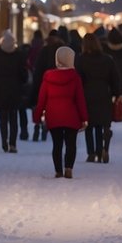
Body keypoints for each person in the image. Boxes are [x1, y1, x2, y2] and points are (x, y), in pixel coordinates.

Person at [34, 46, 87, 179]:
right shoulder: (75, 78)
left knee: (57, 145)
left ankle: (58, 170)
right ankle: (68, 167)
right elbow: (80, 99)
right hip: (71, 116)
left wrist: (37, 115)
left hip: (54, 116)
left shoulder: (48, 77)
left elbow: (41, 99)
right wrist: (84, 118)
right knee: (71, 144)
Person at [75, 33, 121, 164]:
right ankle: (102, 149)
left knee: (89, 124)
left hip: (87, 94)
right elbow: (115, 79)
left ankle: (91, 152)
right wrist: (116, 94)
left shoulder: (81, 59)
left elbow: (78, 78)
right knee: (101, 124)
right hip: (103, 94)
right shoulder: (107, 59)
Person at [0, 31, 28, 152]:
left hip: (0, 90)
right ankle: (13, 144)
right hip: (15, 90)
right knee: (14, 118)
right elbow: (24, 75)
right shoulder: (18, 55)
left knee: (3, 118)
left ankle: (4, 142)